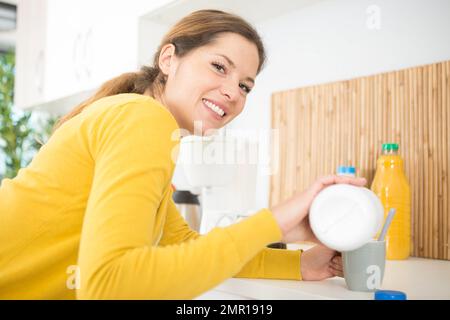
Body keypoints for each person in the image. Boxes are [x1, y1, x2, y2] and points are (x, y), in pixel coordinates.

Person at [0, 10, 366, 299]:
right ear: (169, 59)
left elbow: (186, 246)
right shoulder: (143, 118)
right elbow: (108, 284)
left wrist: (299, 264)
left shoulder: (143, 122)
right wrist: (276, 219)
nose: (232, 92)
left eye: (244, 86)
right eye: (219, 67)